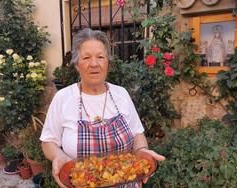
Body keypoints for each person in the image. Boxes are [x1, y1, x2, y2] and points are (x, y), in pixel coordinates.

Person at [40, 28, 165, 187]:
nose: (94, 64)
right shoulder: (63, 98)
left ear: (108, 62)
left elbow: (137, 134)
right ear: (77, 64)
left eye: (100, 57)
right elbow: (48, 141)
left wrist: (141, 151)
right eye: (86, 57)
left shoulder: (121, 94)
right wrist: (59, 156)